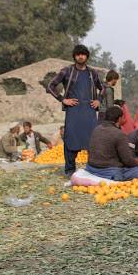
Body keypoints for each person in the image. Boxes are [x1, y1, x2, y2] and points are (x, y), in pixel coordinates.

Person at [47, 44, 102, 177]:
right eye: (78, 54)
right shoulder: (67, 71)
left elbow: (103, 88)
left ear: (87, 56)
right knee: (71, 138)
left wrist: (98, 100)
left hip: (89, 110)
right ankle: (70, 170)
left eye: (83, 54)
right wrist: (62, 99)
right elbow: (50, 86)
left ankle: (92, 169)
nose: (80, 56)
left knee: (92, 140)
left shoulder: (92, 73)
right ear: (74, 56)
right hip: (73, 110)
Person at [86, 106, 138, 181]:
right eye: (123, 118)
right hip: (109, 172)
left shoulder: (96, 129)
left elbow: (89, 150)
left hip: (91, 168)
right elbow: (127, 160)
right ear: (119, 119)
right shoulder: (119, 134)